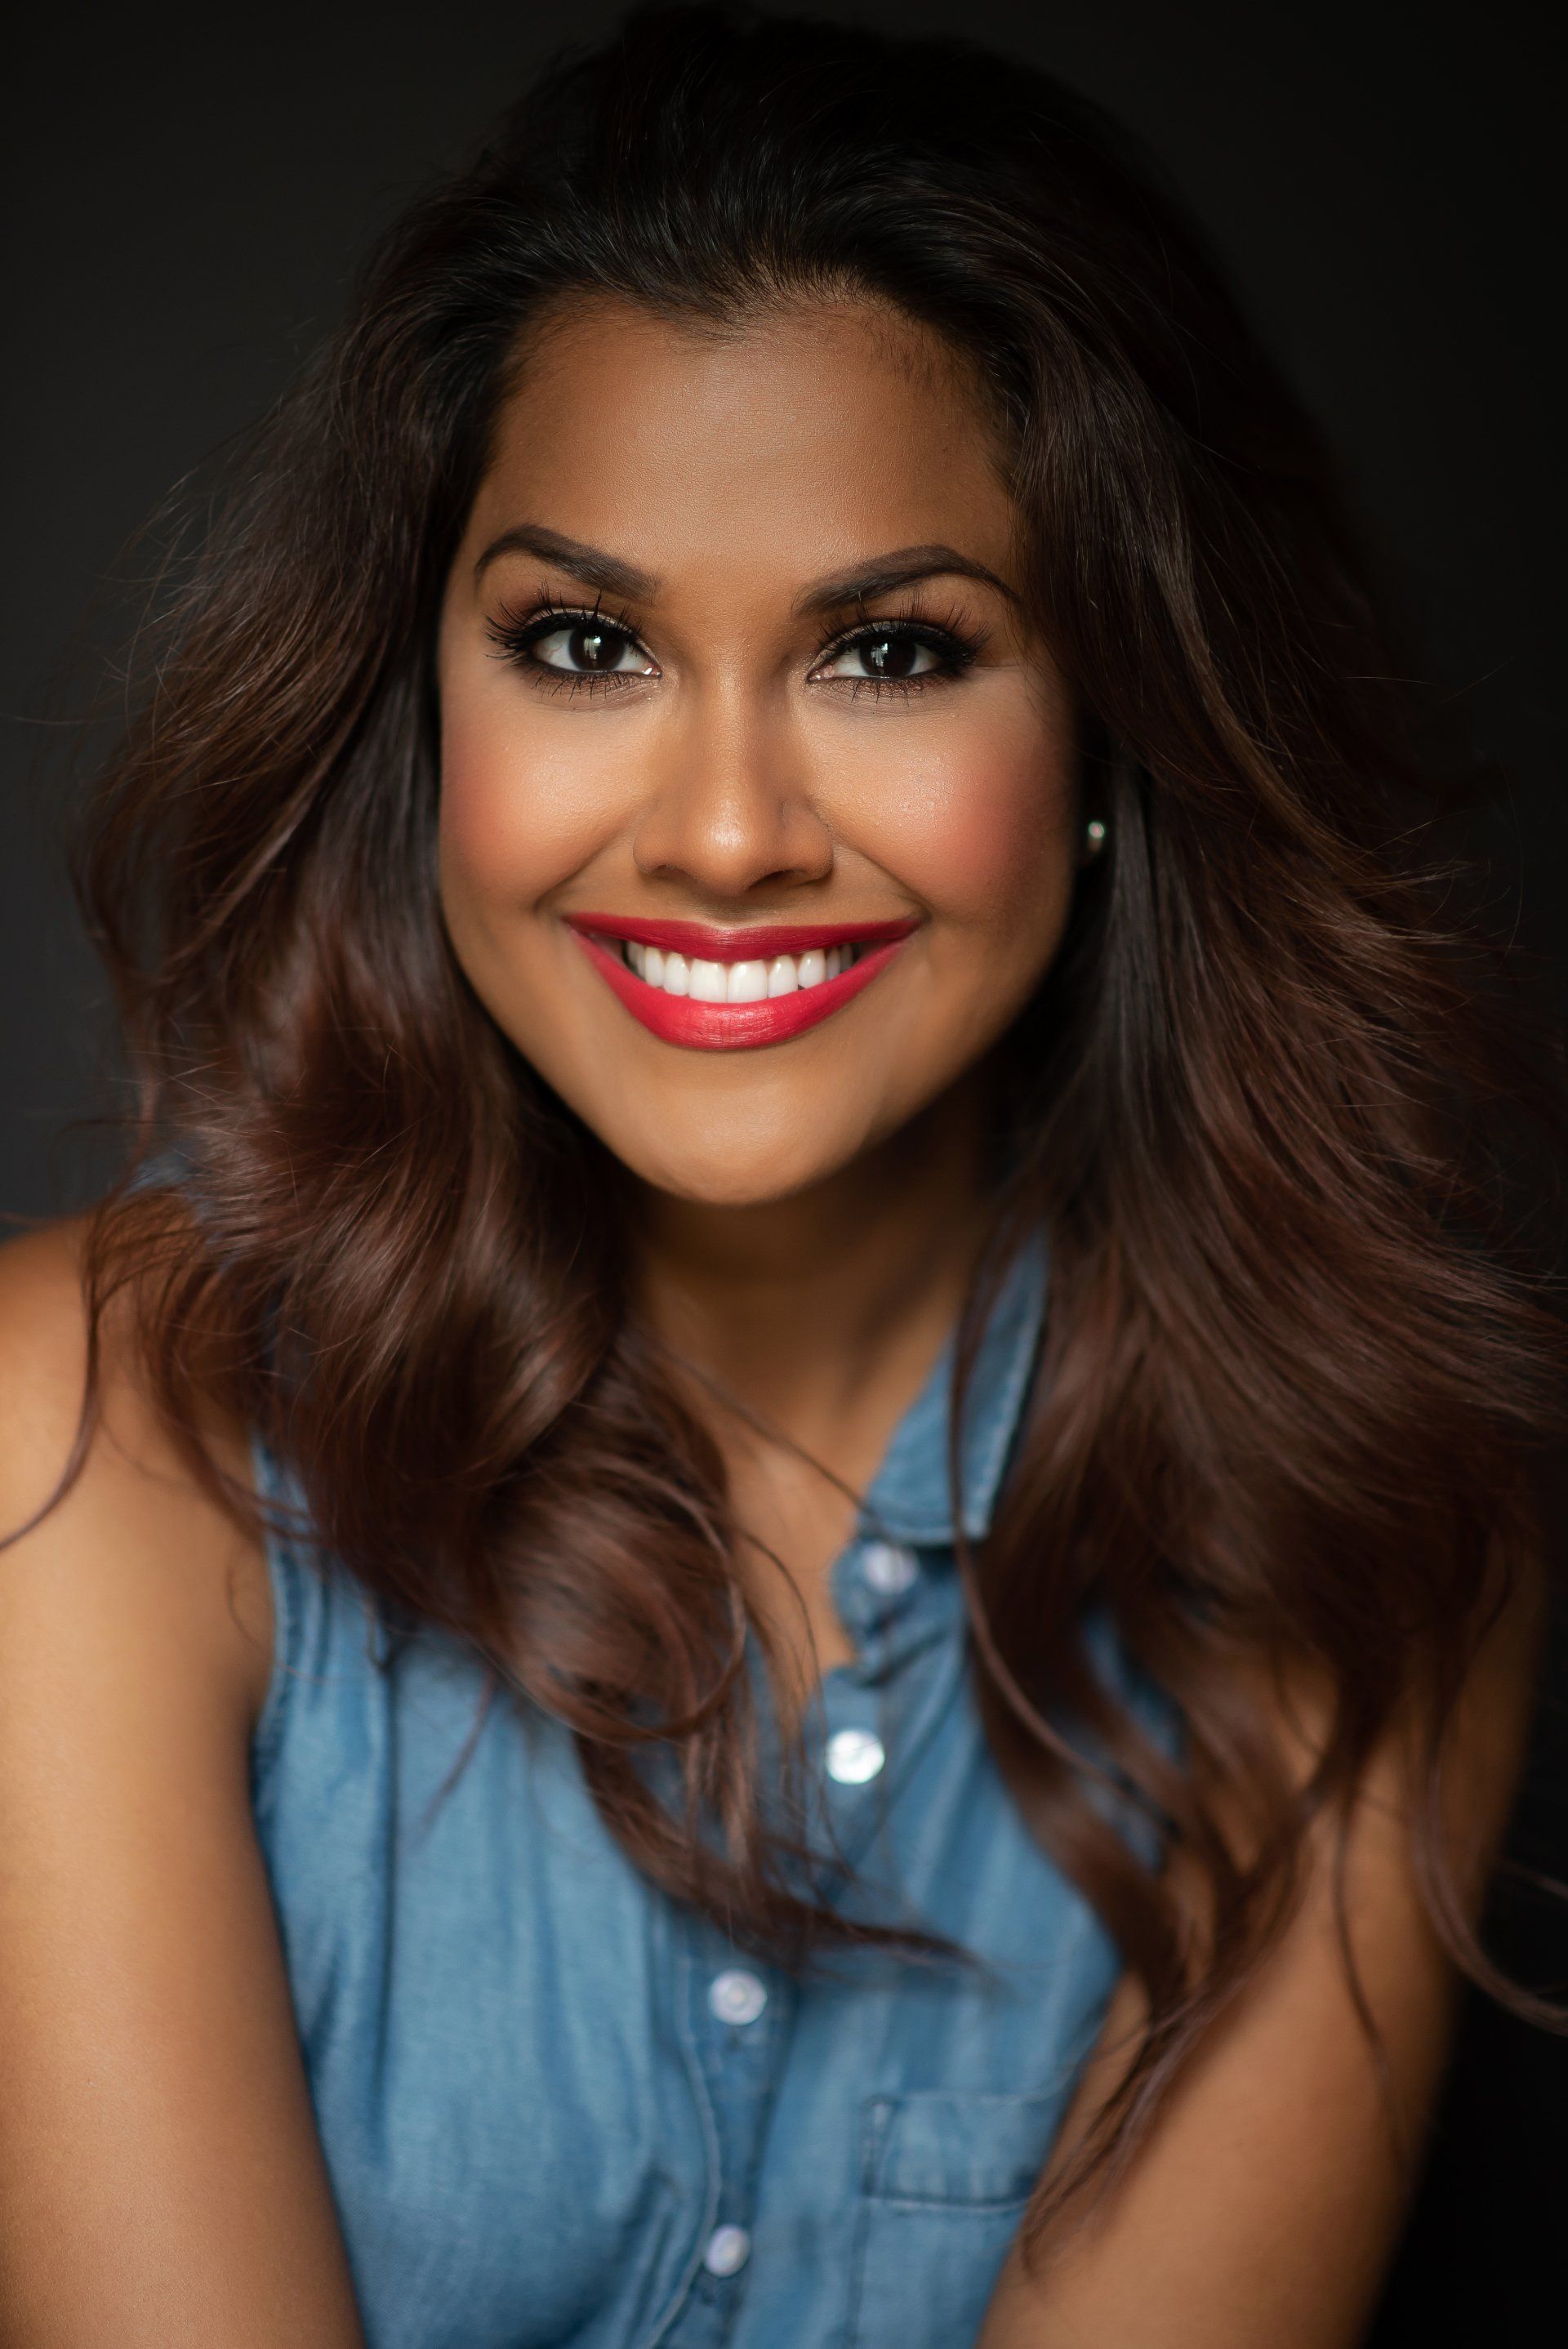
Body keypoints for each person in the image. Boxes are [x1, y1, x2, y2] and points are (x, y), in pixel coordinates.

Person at [0, 7, 1559, 2344]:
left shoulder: (1370, 1542)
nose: (727, 833)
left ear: (1120, 722)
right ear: (425, 717)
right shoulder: (82, 1441)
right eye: (588, 642)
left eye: (895, 652)